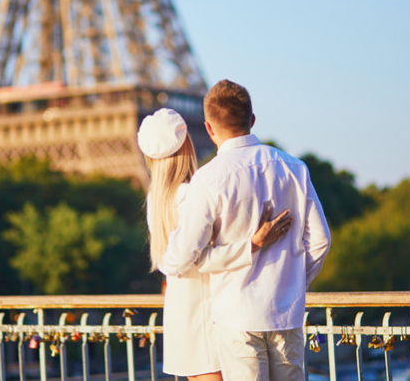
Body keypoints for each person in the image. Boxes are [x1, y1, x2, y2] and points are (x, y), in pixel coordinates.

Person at [158, 80, 332, 381]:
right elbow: (320, 241)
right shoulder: (295, 168)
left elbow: (183, 255)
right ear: (252, 120)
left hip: (236, 315)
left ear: (209, 128)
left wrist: (166, 260)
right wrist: (291, 281)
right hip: (286, 312)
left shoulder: (208, 178)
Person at [137, 108, 293, 381]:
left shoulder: (156, 199)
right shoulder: (189, 193)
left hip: (180, 312)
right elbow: (197, 258)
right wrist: (252, 244)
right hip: (207, 308)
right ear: (187, 144)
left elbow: (173, 261)